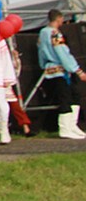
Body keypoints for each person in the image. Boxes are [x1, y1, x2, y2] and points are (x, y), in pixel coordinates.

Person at [37, 8, 86, 139]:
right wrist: (77, 70)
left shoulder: (42, 33)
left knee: (72, 96)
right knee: (66, 98)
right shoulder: (55, 34)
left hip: (50, 68)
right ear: (59, 19)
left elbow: (40, 51)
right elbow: (62, 53)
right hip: (60, 69)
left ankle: (72, 126)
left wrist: (43, 65)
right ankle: (65, 128)